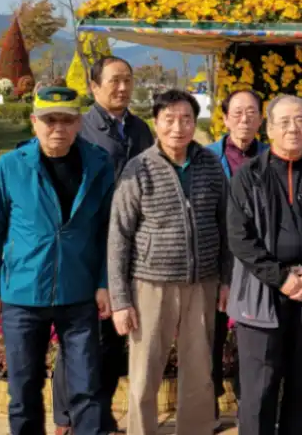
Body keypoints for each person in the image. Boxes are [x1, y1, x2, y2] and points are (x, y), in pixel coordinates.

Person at [0, 87, 116, 435]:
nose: (58, 128)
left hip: (79, 292)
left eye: (66, 120)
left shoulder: (98, 164)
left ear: (79, 123)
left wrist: (103, 283)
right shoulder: (12, 166)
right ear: (33, 121)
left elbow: (108, 231)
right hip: (22, 296)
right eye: (49, 120)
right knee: (23, 392)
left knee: (87, 387)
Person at [109, 89, 229, 435]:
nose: (178, 127)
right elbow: (119, 235)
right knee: (145, 369)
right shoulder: (140, 168)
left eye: (186, 119)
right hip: (151, 284)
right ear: (156, 123)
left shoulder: (209, 164)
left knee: (199, 368)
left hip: (202, 282)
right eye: (170, 119)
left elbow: (224, 224)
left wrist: (226, 278)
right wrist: (120, 300)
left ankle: (196, 429)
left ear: (196, 122)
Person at [227, 94, 302, 435]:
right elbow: (240, 239)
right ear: (270, 128)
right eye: (284, 122)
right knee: (259, 390)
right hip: (261, 295)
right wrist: (280, 278)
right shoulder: (249, 177)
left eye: (301, 121)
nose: (293, 128)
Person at [56, 55, 156, 435]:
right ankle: (66, 417)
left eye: (127, 80)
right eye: (114, 81)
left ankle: (100, 413)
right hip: (93, 246)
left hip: (133, 246)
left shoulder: (141, 129)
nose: (122, 88)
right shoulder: (83, 129)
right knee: (82, 337)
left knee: (115, 339)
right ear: (94, 87)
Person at [206, 88, 266, 416]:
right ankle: (210, 405)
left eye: (252, 113)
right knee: (211, 338)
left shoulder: (273, 156)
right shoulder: (205, 156)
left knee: (253, 339)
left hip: (257, 261)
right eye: (238, 113)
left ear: (261, 118)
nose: (245, 119)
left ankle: (250, 405)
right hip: (215, 261)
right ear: (226, 117)